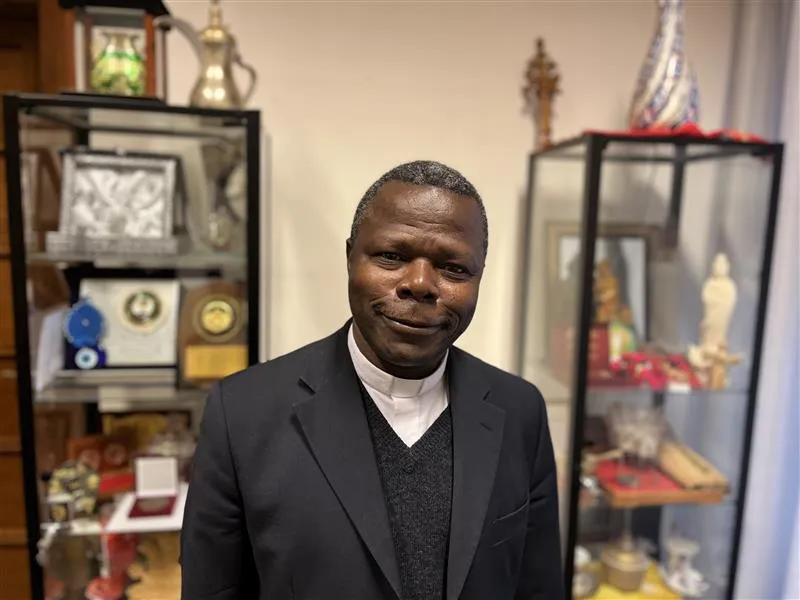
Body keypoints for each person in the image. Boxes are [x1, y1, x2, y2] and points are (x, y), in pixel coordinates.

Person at [179, 160, 565, 600]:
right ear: (349, 257)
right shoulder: (243, 413)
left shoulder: (520, 411)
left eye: (453, 268)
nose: (420, 284)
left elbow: (538, 586)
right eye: (392, 256)